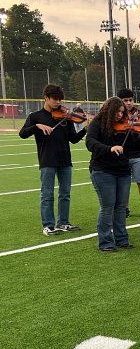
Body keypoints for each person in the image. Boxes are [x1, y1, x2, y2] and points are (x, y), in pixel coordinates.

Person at [85, 97, 140, 252]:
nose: (120, 115)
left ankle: (122, 239)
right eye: (117, 111)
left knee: (121, 208)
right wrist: (109, 148)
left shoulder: (125, 127)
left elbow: (135, 145)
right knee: (107, 207)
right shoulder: (97, 124)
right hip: (102, 170)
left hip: (122, 171)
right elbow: (90, 142)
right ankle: (105, 242)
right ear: (109, 110)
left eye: (122, 112)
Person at [18, 84, 87, 236]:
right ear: (46, 98)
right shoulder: (35, 116)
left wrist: (84, 130)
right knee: (47, 194)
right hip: (47, 160)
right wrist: (37, 126)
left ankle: (63, 222)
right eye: (55, 99)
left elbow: (73, 139)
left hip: (65, 160)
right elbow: (22, 134)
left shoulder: (65, 117)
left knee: (65, 193)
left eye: (60, 100)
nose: (58, 102)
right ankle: (48, 225)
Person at [117, 88, 140, 218]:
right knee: (124, 183)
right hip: (123, 154)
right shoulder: (117, 115)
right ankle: (125, 208)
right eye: (125, 100)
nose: (128, 103)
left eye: (130, 100)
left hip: (139, 153)